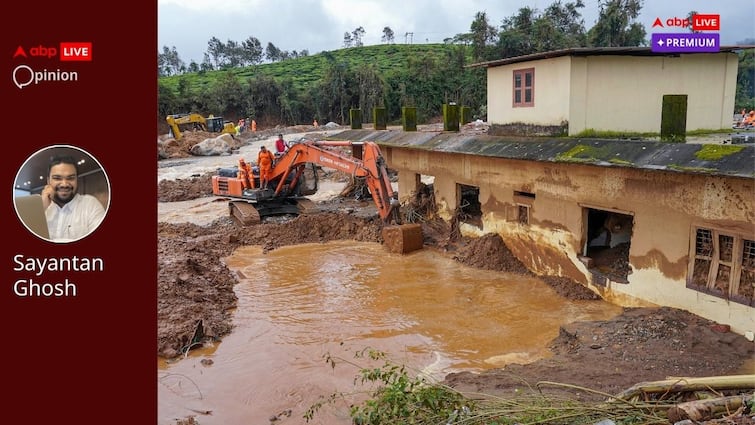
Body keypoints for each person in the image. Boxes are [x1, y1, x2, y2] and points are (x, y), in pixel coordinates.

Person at [41, 155, 106, 242]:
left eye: (70, 178)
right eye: (57, 178)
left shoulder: (90, 205)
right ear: (48, 181)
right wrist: (40, 209)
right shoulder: (41, 207)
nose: (64, 184)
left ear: (76, 180)